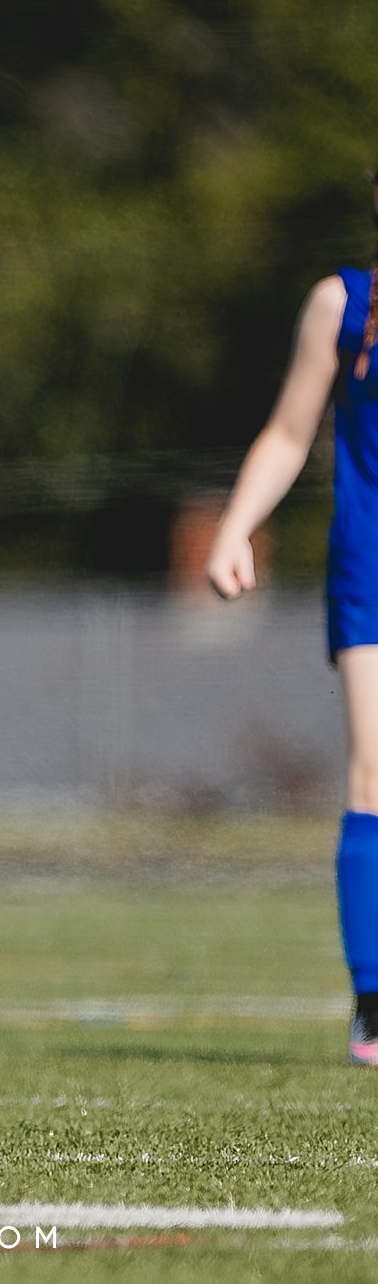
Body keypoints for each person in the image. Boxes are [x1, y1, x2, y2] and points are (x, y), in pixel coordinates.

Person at [206, 199, 378, 1066]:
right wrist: (236, 525)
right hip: (370, 562)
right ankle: (373, 1002)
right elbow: (287, 431)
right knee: (373, 771)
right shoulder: (340, 305)